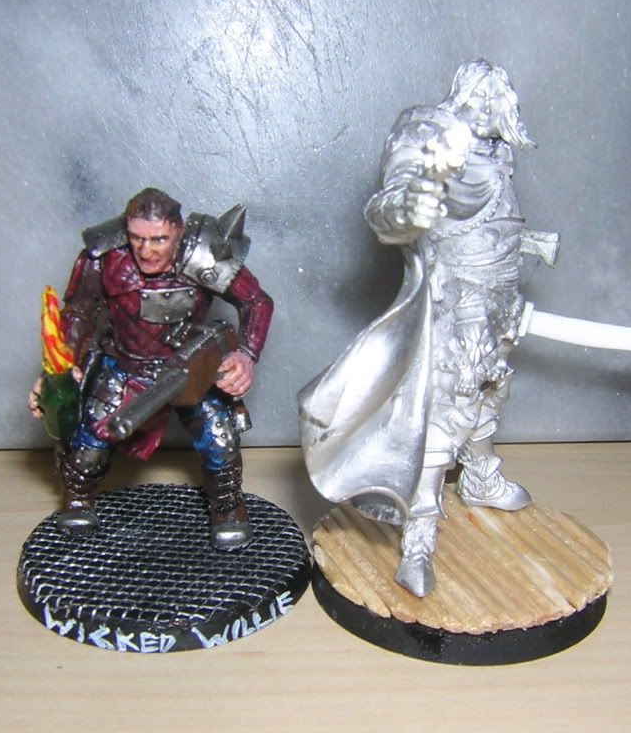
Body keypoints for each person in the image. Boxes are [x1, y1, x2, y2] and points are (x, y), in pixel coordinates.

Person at [299, 60, 559, 596]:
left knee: (490, 391)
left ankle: (481, 477)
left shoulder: (499, 151)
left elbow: (489, 222)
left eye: (496, 98)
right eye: (479, 97)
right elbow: (392, 207)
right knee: (444, 411)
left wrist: (526, 247)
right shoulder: (433, 137)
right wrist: (409, 208)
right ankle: (418, 537)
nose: (487, 108)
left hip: (500, 297)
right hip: (454, 301)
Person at [30, 187, 273, 549]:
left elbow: (256, 302)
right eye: (137, 238)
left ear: (178, 232)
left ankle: (227, 509)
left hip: (193, 370)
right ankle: (78, 499)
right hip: (125, 365)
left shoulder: (205, 252)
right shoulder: (104, 256)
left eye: (158, 239)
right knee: (88, 444)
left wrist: (246, 355)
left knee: (220, 441)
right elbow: (79, 312)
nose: (146, 250)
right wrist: (61, 369)